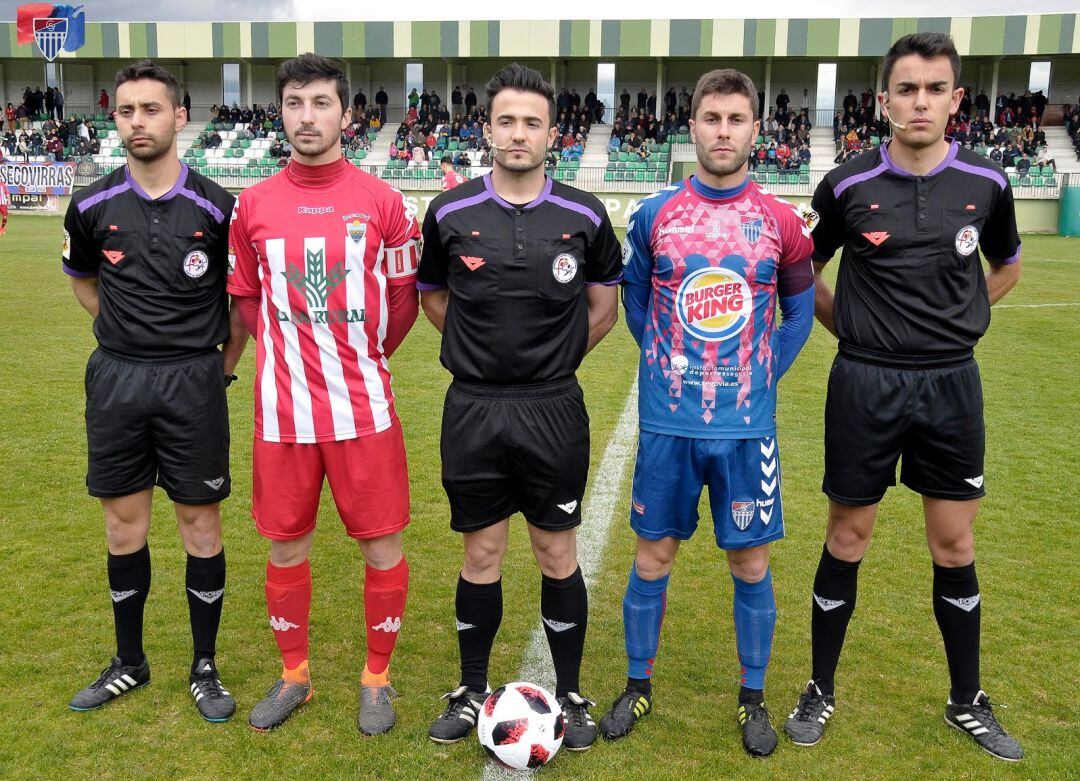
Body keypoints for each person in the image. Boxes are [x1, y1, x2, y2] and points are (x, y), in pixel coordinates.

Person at [781, 33, 1024, 762]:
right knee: (847, 536)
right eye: (907, 89)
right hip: (865, 381)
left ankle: (966, 699)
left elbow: (1007, 264)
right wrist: (848, 328)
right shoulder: (847, 184)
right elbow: (801, 270)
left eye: (935, 88)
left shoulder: (989, 181)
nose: (921, 101)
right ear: (883, 101)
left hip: (952, 383)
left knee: (953, 542)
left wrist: (962, 319)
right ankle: (820, 687)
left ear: (957, 99)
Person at [597, 68, 815, 758]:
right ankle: (638, 684)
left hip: (746, 429)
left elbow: (801, 307)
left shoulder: (780, 220)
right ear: (691, 126)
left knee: (750, 560)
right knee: (652, 554)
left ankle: (753, 696)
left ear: (756, 129)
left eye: (735, 119)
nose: (723, 131)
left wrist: (761, 370)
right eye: (711, 118)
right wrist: (664, 362)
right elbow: (634, 298)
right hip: (668, 422)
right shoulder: (656, 213)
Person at [418, 63, 622, 751]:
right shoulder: (449, 213)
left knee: (555, 549)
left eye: (532, 122)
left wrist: (553, 359)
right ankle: (472, 688)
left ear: (552, 135)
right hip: (473, 406)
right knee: (482, 551)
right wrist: (480, 354)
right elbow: (431, 298)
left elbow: (603, 307)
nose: (518, 133)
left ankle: (569, 693)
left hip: (552, 407)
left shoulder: (584, 215)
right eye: (506, 120)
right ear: (487, 129)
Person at [226, 53, 420, 736]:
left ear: (346, 113)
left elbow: (401, 303)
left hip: (364, 410)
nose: (307, 116)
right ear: (279, 112)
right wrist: (292, 362)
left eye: (320, 103)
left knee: (382, 547)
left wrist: (355, 360)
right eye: (294, 103)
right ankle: (295, 676)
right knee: (285, 548)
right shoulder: (252, 205)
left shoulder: (383, 201)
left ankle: (376, 677)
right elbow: (246, 300)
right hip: (282, 417)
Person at [63, 60, 243, 722]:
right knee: (122, 524)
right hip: (116, 377)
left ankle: (204, 665)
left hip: (193, 380)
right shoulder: (91, 202)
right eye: (126, 111)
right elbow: (84, 280)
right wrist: (121, 331)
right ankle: (129, 661)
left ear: (180, 117)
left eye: (151, 110)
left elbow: (239, 309)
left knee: (199, 521)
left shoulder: (218, 207)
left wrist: (215, 368)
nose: (138, 122)